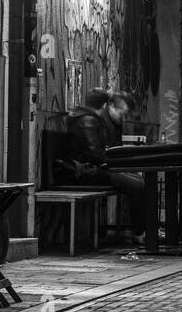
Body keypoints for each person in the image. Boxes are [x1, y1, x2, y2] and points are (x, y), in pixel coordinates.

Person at [60, 89, 145, 239]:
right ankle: (140, 233)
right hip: (84, 172)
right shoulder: (88, 120)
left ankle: (141, 231)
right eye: (121, 113)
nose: (122, 117)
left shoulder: (88, 119)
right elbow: (95, 156)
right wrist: (113, 162)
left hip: (86, 169)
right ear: (106, 105)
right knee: (138, 185)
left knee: (139, 182)